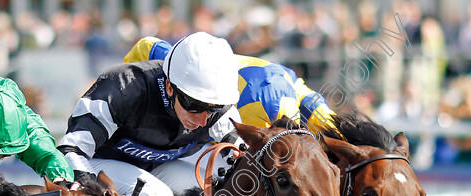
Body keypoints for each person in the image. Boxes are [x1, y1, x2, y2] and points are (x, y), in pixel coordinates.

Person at [58, 32, 242, 196]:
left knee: (215, 192)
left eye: (214, 109)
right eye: (194, 106)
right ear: (170, 87)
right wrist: (96, 193)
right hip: (96, 163)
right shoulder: (123, 88)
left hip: (154, 166)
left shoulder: (217, 105)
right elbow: (69, 149)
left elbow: (245, 153)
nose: (203, 121)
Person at [123, 35, 336, 134]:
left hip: (279, 84)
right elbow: (146, 46)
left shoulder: (295, 92)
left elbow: (146, 46)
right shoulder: (195, 68)